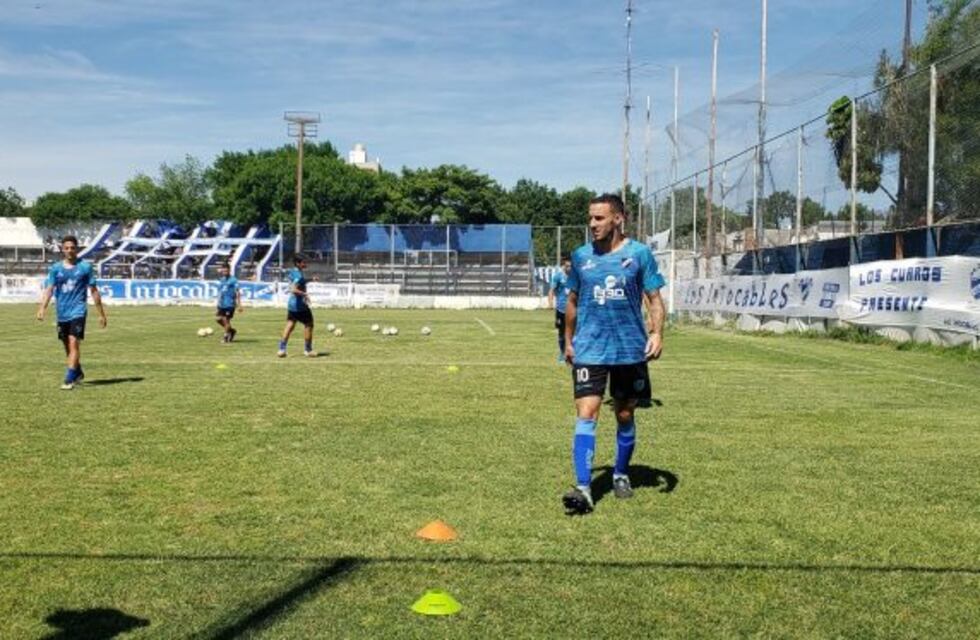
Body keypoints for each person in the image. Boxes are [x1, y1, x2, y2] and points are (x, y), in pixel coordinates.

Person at [561, 194, 666, 515]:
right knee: (587, 413)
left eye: (599, 218)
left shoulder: (639, 254)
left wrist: (657, 332)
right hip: (589, 348)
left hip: (629, 350)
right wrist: (567, 341)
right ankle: (583, 488)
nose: (592, 225)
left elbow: (654, 299)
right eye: (591, 218)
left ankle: (620, 473)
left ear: (618, 219)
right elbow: (573, 302)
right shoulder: (581, 257)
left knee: (623, 414)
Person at [35, 235, 108, 390]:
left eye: (72, 248)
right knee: (66, 345)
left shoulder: (85, 268)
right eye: (66, 248)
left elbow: (94, 291)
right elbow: (49, 289)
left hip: (78, 310)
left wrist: (101, 314)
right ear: (63, 250)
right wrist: (42, 308)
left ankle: (69, 379)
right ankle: (77, 371)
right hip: (62, 312)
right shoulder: (56, 268)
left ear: (77, 249)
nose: (69, 250)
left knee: (74, 342)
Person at [278, 254, 316, 357]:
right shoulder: (298, 275)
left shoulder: (293, 271)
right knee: (309, 324)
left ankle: (281, 349)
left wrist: (310, 279)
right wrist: (305, 294)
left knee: (290, 325)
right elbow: (293, 289)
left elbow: (299, 281)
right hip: (300, 305)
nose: (305, 263)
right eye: (303, 262)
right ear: (298, 263)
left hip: (292, 304)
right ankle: (308, 350)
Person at [548, 258, 572, 362]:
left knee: (574, 332)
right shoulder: (558, 276)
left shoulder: (576, 277)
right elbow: (552, 290)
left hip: (573, 309)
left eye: (571, 266)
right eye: (567, 266)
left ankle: (572, 352)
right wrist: (550, 303)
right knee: (561, 333)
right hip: (561, 309)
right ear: (563, 266)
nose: (569, 268)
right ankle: (562, 353)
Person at [215, 262, 242, 343]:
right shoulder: (222, 280)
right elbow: (220, 292)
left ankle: (225, 337)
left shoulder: (234, 280)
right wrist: (218, 304)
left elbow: (237, 292)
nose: (224, 272)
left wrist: (239, 305)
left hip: (230, 304)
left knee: (226, 320)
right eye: (223, 271)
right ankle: (232, 331)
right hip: (222, 304)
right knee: (218, 319)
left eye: (226, 271)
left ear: (229, 270)